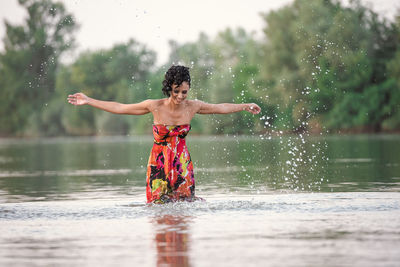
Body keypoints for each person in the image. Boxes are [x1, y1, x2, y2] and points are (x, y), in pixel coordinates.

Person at [68, 65, 261, 204]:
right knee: (157, 207)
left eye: (184, 92)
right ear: (169, 88)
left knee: (186, 205)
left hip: (182, 163)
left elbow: (220, 107)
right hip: (158, 163)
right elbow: (120, 107)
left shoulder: (193, 106)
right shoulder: (155, 106)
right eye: (176, 91)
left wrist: (245, 106)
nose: (180, 96)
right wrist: (89, 100)